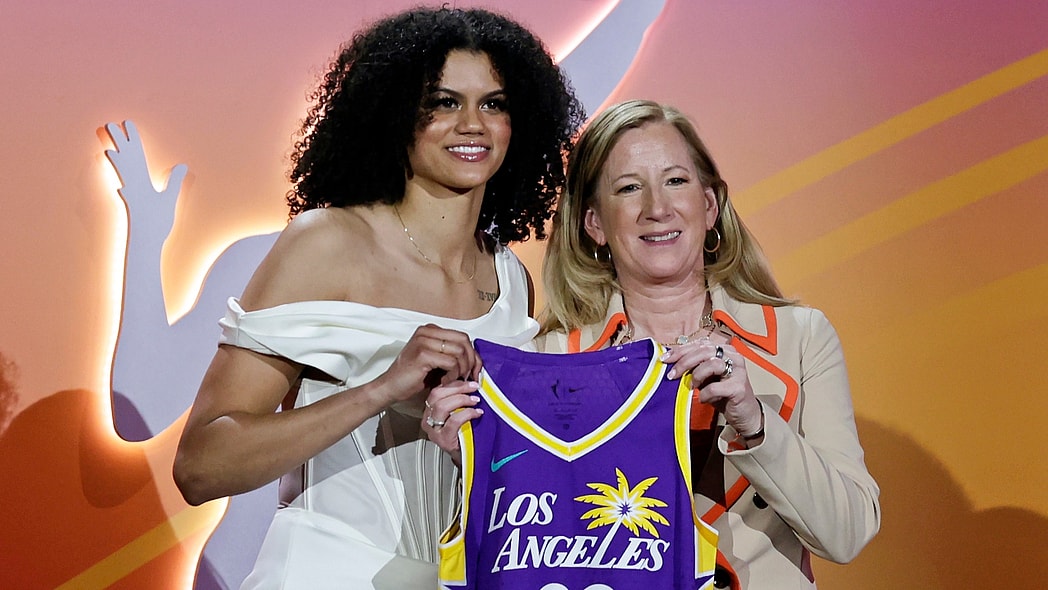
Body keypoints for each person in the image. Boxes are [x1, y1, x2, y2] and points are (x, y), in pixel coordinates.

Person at [172, 7, 584, 589]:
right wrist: (383, 388)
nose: (472, 124)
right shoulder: (328, 243)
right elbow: (201, 467)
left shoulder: (511, 277)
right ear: (394, 115)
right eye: (443, 102)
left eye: (494, 103)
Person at [425, 99, 879, 589]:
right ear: (594, 223)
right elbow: (522, 548)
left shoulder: (801, 337)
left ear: (709, 207)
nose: (657, 208)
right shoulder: (546, 359)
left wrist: (755, 422)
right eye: (629, 188)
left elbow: (846, 534)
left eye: (676, 181)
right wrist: (472, 460)